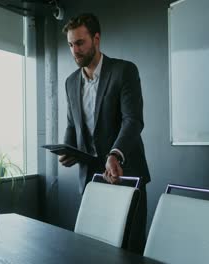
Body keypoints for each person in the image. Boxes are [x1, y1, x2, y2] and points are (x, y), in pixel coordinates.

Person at [59, 13, 150, 254]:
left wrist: (115, 155)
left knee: (130, 249)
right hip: (91, 181)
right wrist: (68, 149)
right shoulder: (70, 82)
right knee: (93, 249)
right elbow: (73, 124)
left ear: (96, 39)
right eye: (70, 44)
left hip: (125, 174)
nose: (74, 50)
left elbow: (133, 120)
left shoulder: (124, 71)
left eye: (80, 43)